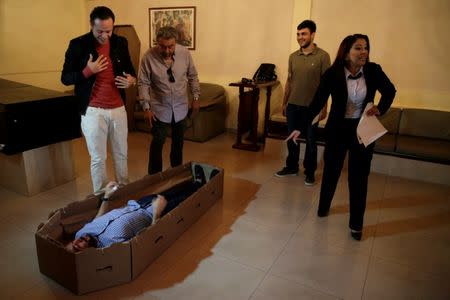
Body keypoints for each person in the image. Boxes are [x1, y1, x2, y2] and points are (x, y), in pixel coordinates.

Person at [286, 34, 396, 240]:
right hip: (338, 129)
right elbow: (317, 102)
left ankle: (356, 224)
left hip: (363, 129)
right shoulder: (333, 73)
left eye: (366, 48)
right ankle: (324, 206)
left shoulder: (373, 70)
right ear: (346, 53)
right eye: (358, 48)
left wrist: (381, 108)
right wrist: (300, 127)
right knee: (331, 171)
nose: (364, 52)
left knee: (359, 177)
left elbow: (390, 90)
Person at [61, 6, 137, 194]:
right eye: (99, 31)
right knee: (98, 158)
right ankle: (101, 197)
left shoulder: (121, 42)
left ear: (113, 26)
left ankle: (123, 192)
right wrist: (88, 71)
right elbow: (65, 78)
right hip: (93, 111)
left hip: (118, 109)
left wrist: (130, 81)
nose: (104, 35)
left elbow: (131, 72)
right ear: (91, 26)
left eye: (108, 31)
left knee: (121, 154)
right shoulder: (78, 44)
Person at [66, 165, 217, 252]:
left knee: (173, 191)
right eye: (78, 247)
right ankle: (206, 185)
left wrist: (106, 196)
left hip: (137, 204)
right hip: (152, 214)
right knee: (184, 199)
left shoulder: (82, 233)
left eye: (74, 242)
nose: (78, 241)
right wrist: (156, 213)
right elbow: (146, 239)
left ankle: (197, 182)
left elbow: (98, 218)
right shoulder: (111, 248)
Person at [138, 26, 200, 175]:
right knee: (157, 143)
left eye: (170, 46)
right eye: (162, 46)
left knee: (178, 144)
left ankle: (176, 173)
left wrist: (196, 98)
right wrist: (146, 108)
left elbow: (193, 76)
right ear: (157, 43)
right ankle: (154, 177)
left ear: (176, 42)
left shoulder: (185, 54)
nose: (167, 51)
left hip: (180, 108)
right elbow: (143, 83)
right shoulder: (148, 57)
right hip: (159, 109)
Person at [275, 20, 330, 186]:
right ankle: (291, 167)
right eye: (298, 34)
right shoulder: (293, 57)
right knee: (292, 139)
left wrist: (324, 108)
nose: (300, 37)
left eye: (304, 34)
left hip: (311, 109)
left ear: (313, 34)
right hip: (293, 106)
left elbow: (326, 85)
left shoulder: (323, 56)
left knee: (311, 142)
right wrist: (284, 103)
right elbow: (289, 82)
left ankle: (309, 172)